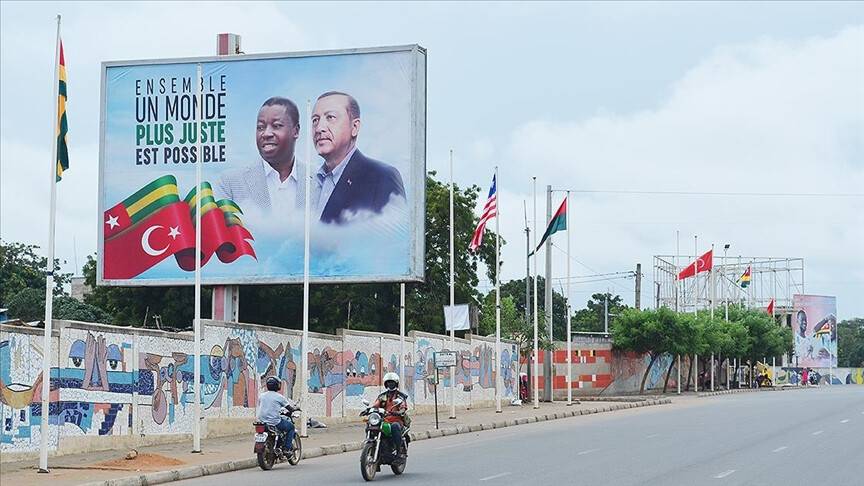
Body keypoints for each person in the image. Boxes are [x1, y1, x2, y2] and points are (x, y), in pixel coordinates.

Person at [310, 91, 405, 224]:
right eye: (315, 120)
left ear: (354, 127)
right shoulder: (308, 184)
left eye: (330, 117)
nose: (319, 128)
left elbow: (394, 234)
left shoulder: (381, 177)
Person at [216, 97, 306, 215]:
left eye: (276, 125)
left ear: (296, 131)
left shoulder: (318, 180)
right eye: (260, 127)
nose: (266, 134)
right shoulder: (230, 182)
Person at [371, 372, 409, 459]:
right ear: (386, 384)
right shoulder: (382, 396)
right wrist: (370, 410)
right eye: (388, 382)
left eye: (392, 382)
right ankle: (372, 445)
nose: (390, 384)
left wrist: (399, 411)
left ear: (396, 383)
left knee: (395, 426)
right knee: (371, 425)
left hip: (397, 420)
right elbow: (376, 405)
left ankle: (399, 452)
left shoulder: (400, 396)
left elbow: (403, 407)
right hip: (384, 420)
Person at [256, 376, 297, 452]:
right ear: (277, 385)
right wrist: (294, 409)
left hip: (262, 421)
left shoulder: (261, 396)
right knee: (291, 427)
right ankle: (287, 449)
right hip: (274, 422)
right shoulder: (279, 397)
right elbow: (289, 408)